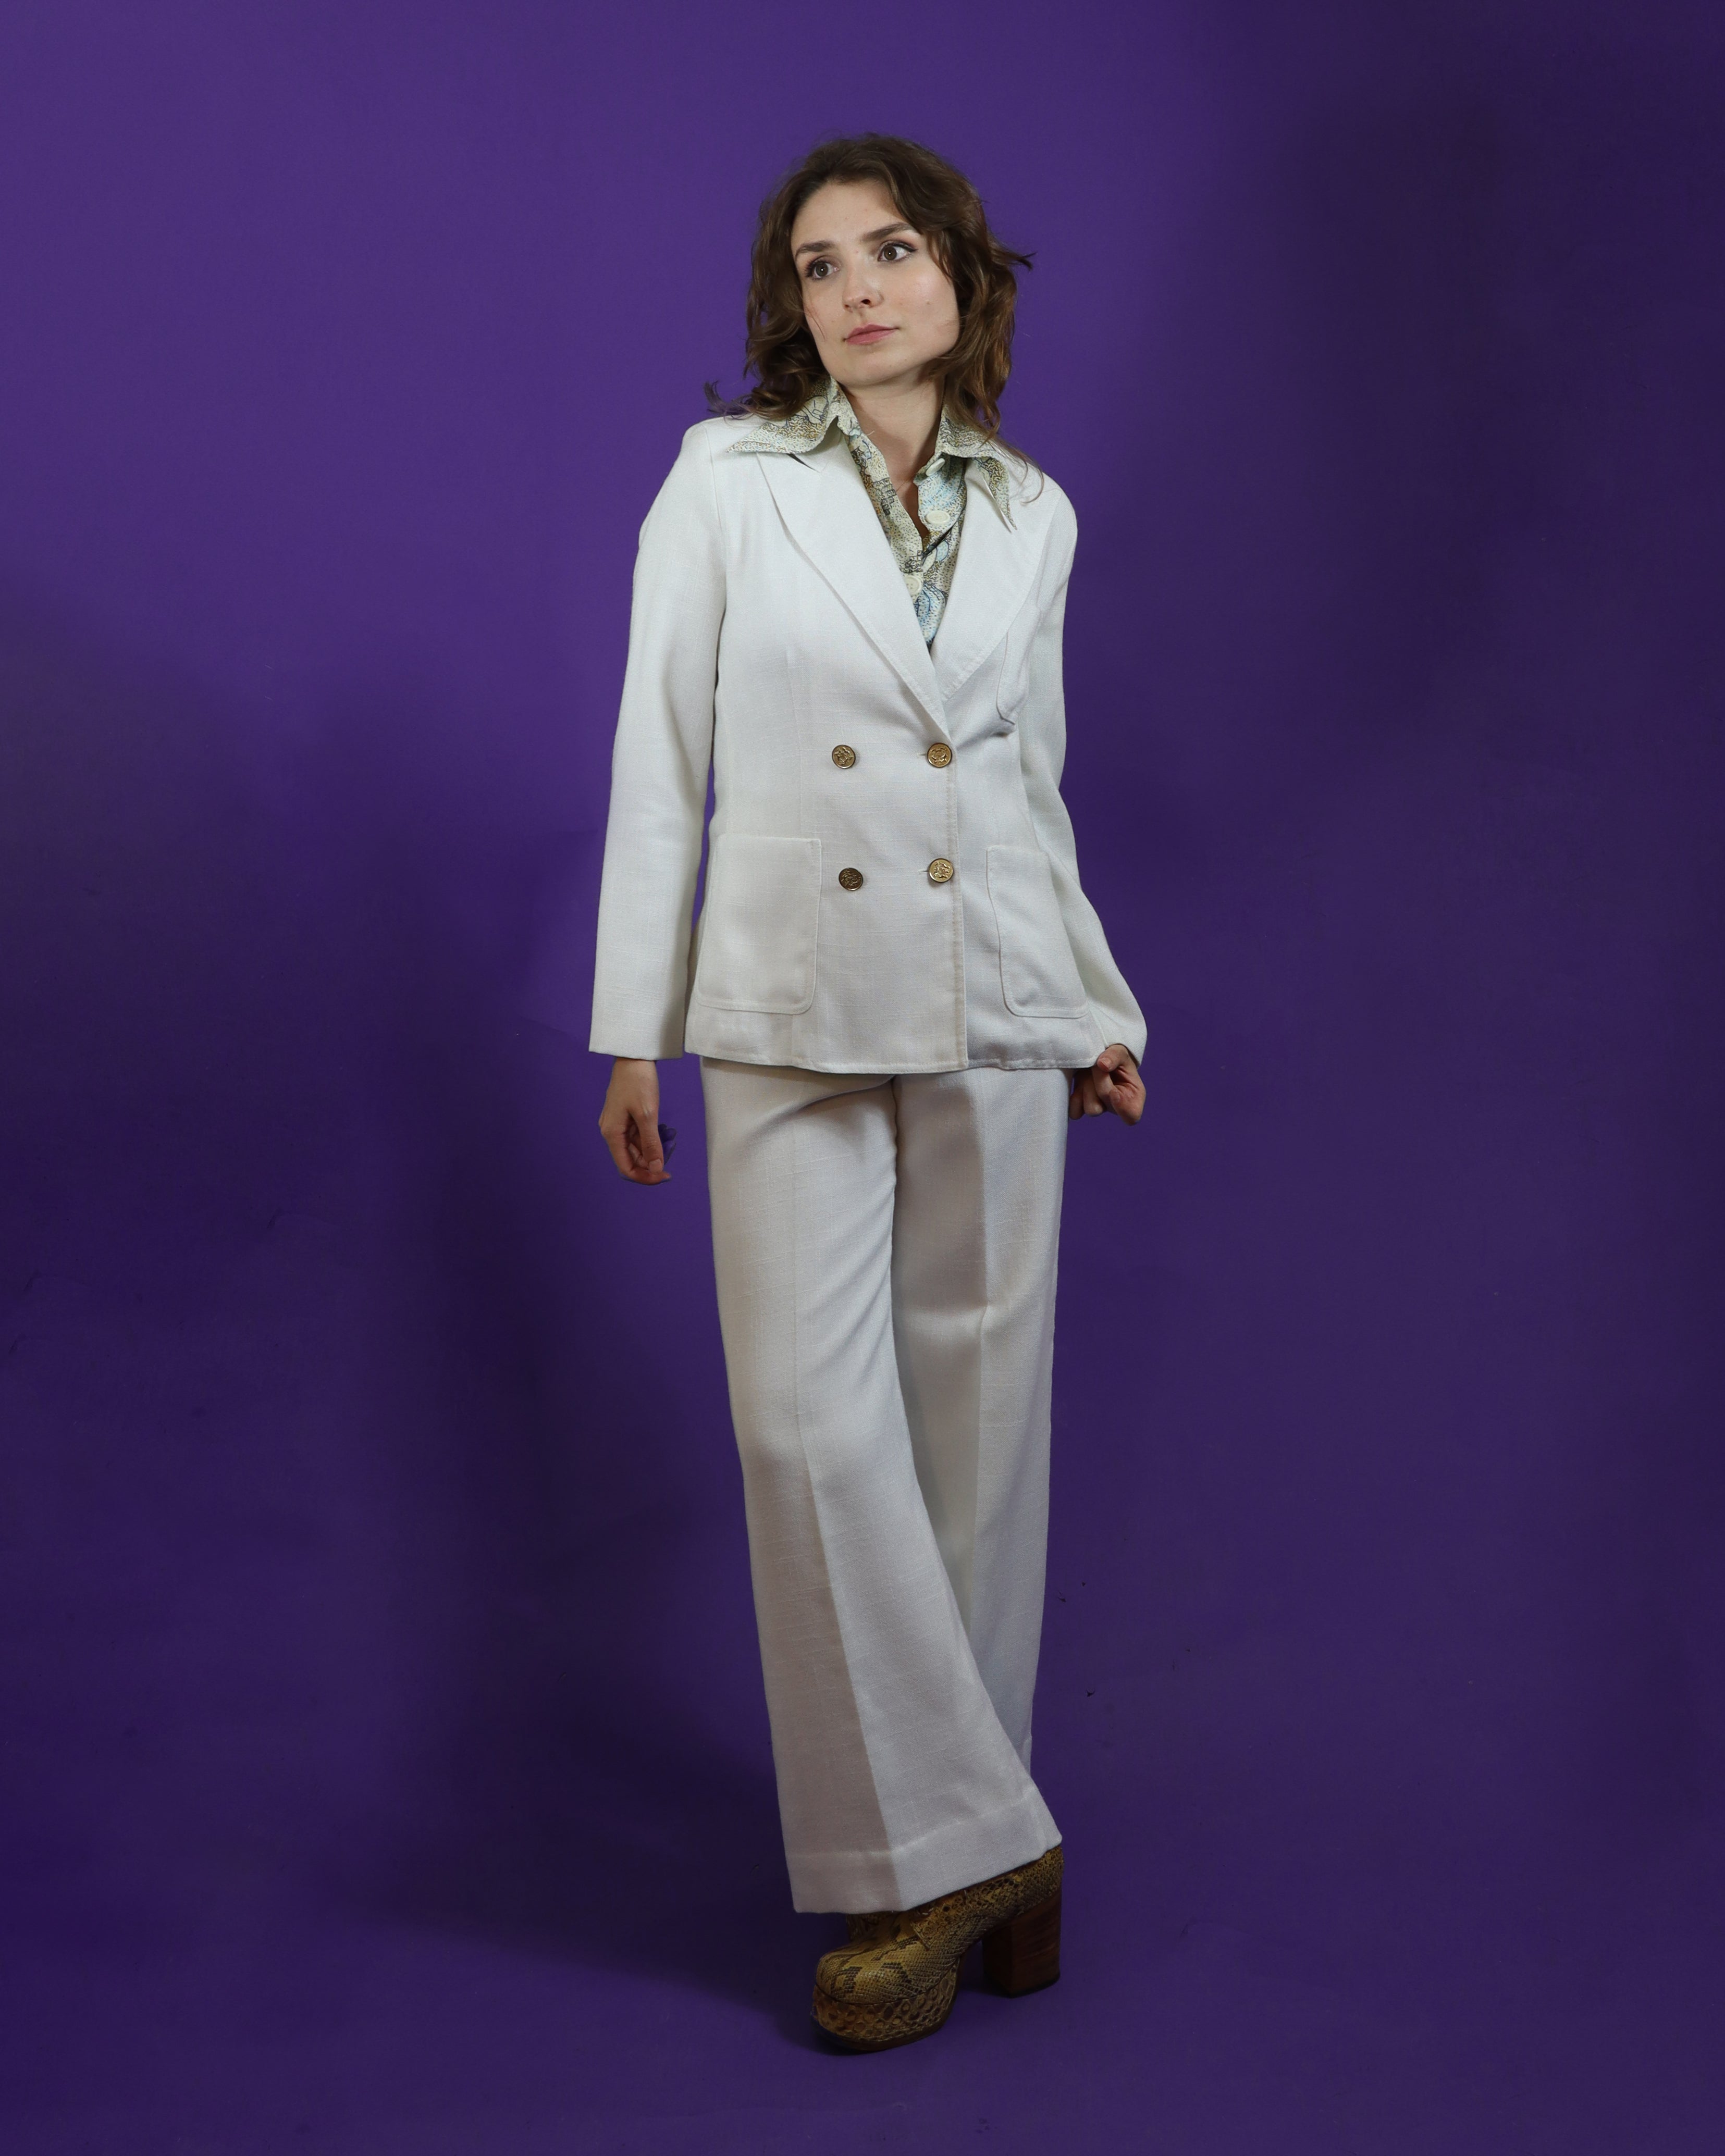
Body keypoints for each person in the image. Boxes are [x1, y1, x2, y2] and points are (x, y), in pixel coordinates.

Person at [590, 133, 1145, 2051]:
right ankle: (986, 1840)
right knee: (807, 1428)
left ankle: (943, 1878)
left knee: (979, 1432)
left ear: (962, 276)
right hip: (787, 999)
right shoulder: (726, 479)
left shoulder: (1035, 512)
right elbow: (661, 753)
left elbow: (1025, 782)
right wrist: (636, 1022)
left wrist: (1093, 1003)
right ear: (794, 308)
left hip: (994, 995)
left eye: (890, 250)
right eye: (819, 267)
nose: (855, 291)